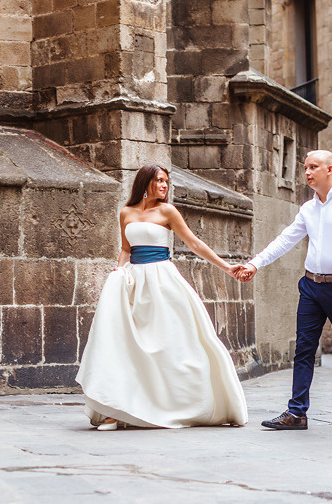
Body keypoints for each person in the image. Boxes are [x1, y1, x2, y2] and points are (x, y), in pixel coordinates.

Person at [75, 164, 249, 430]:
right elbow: (125, 249)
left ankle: (187, 404)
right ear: (146, 183)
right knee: (124, 344)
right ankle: (114, 411)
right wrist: (118, 272)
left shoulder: (167, 211)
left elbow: (194, 243)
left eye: (166, 181)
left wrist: (226, 267)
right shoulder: (126, 212)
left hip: (163, 281)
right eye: (159, 181)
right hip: (133, 281)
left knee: (171, 343)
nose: (164, 186)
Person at [236, 150, 332, 430]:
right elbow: (285, 240)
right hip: (310, 287)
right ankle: (297, 413)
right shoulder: (308, 209)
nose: (307, 172)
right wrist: (255, 264)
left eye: (313, 167)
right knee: (304, 349)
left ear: (330, 169)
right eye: (305, 167)